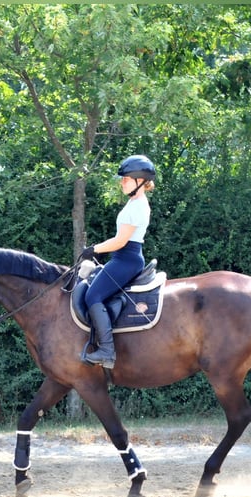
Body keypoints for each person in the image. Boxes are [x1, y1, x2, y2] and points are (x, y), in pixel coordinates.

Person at [79, 154, 155, 369]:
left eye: (126, 179)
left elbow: (121, 241)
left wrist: (93, 250)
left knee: (93, 295)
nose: (122, 182)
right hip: (122, 257)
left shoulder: (139, 206)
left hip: (126, 259)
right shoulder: (133, 203)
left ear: (139, 181)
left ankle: (106, 351)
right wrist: (98, 250)